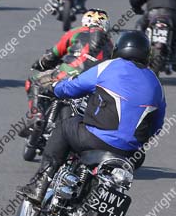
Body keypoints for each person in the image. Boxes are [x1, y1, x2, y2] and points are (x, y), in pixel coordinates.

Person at [20, 31, 166, 204]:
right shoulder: (156, 83)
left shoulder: (110, 66)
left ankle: (39, 184)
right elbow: (157, 125)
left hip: (95, 139)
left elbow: (73, 88)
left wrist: (56, 87)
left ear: (119, 49)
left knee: (65, 128)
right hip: (131, 154)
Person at [22, 9, 114, 136]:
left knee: (34, 81)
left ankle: (36, 115)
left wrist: (41, 63)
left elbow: (53, 54)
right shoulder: (110, 44)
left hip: (69, 73)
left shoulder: (76, 32)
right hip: (95, 82)